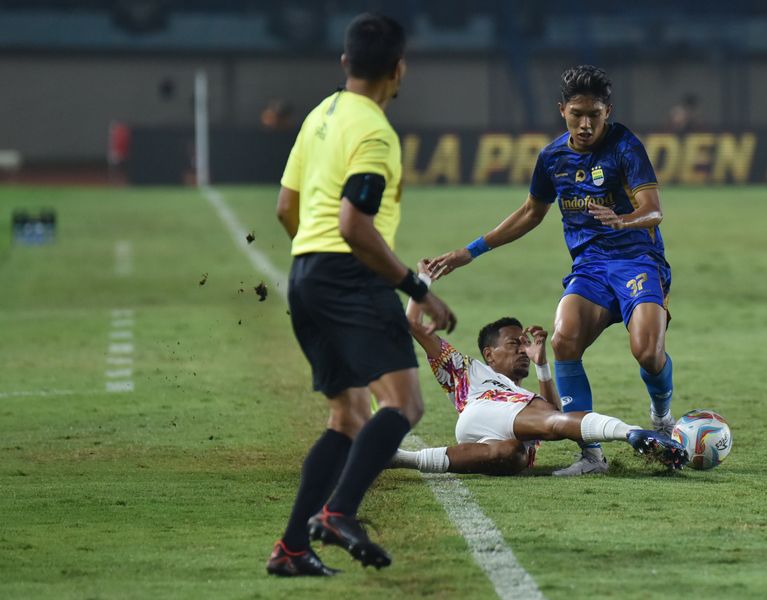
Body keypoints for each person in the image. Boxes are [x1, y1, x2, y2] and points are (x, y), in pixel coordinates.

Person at [266, 13, 456, 577]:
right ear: (399, 70)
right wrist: (414, 284)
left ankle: (292, 550)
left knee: (348, 416)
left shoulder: (321, 114)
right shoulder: (375, 132)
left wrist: (313, 262)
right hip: (350, 277)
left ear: (346, 62)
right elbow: (353, 224)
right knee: (405, 404)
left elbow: (285, 208)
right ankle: (338, 513)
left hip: (307, 273)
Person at [427, 65, 675, 476]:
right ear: (562, 110)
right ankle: (592, 457)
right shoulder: (552, 157)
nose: (585, 123)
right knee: (564, 340)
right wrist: (469, 252)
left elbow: (654, 210)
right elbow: (530, 213)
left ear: (607, 112)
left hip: (637, 261)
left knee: (648, 353)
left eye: (594, 114)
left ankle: (662, 418)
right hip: (591, 267)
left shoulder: (625, 146)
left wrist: (622, 219)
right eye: (577, 113)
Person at [388, 263, 688, 476]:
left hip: (492, 434)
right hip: (484, 408)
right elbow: (413, 324)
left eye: (523, 343)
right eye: (513, 344)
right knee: (554, 422)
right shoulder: (469, 371)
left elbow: (559, 417)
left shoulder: (523, 396)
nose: (522, 349)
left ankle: (398, 459)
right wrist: (423, 280)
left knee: (511, 456)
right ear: (489, 354)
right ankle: (633, 434)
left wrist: (542, 365)